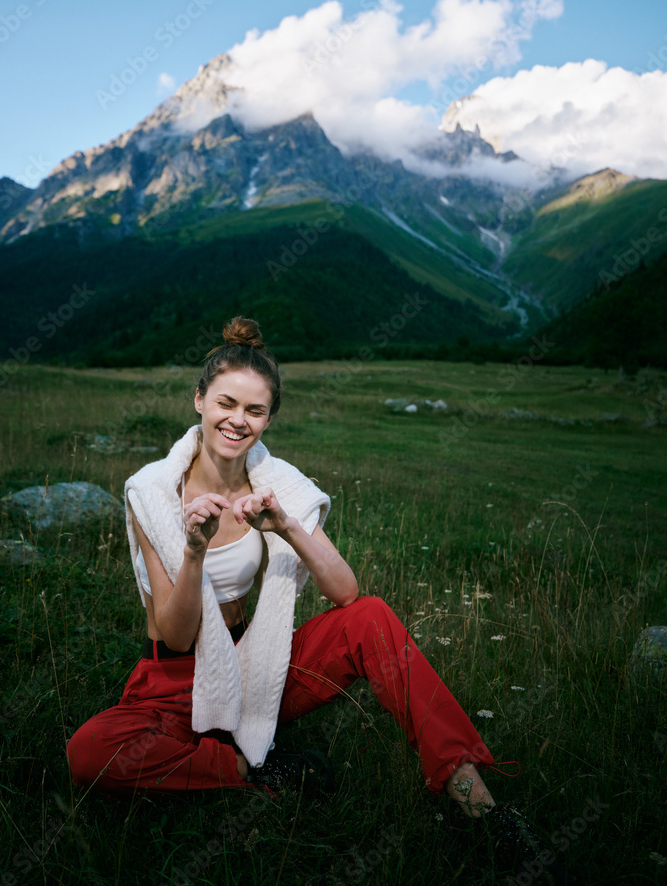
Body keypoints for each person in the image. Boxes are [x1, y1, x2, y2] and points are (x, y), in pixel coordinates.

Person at [66, 317, 574, 884]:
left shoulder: (277, 483)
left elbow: (345, 591)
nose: (237, 420)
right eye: (226, 403)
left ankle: (484, 810)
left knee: (370, 616)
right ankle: (249, 766)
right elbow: (178, 635)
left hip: (253, 666)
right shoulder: (154, 491)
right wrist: (193, 550)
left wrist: (286, 526)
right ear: (199, 400)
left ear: (268, 419)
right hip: (172, 679)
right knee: (90, 752)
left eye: (255, 410)